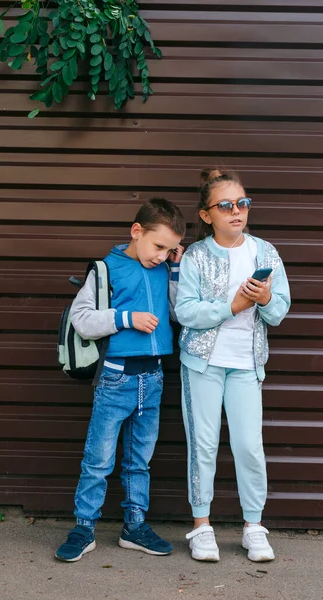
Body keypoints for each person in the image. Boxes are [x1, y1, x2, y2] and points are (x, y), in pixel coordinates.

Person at [55, 198, 186, 562]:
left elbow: (177, 313)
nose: (161, 255)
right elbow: (82, 318)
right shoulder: (106, 268)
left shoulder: (164, 269)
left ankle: (134, 526)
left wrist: (175, 271)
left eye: (170, 250)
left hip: (154, 378)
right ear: (136, 231)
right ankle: (84, 527)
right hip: (115, 378)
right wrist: (126, 318)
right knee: (98, 460)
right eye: (158, 246)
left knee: (139, 460)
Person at [175, 168, 290, 563]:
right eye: (225, 205)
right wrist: (233, 306)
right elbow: (185, 311)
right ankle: (201, 526)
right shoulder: (196, 255)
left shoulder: (265, 252)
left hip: (246, 363)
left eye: (242, 203)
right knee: (203, 446)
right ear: (207, 215)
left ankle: (253, 526)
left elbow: (279, 311)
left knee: (248, 446)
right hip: (202, 363)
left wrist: (264, 299)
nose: (236, 211)